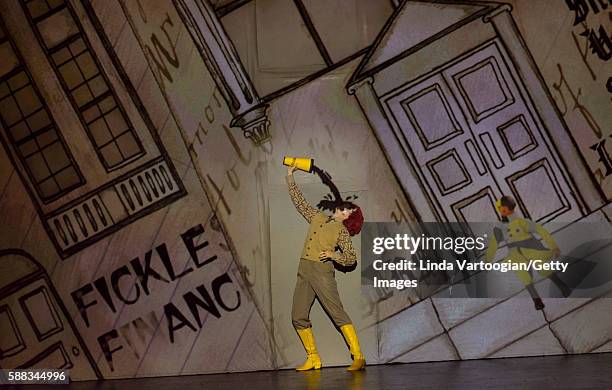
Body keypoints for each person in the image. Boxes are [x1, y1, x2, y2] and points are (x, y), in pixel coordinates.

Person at [286, 164, 366, 371]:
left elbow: (351, 258)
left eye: (350, 210)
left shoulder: (342, 232)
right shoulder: (318, 217)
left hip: (322, 272)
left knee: (337, 312)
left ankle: (358, 356)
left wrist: (333, 255)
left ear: (349, 219)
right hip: (304, 269)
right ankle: (313, 358)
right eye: (347, 206)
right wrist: (290, 177)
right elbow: (300, 203)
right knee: (298, 315)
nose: (346, 208)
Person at [485, 195, 571, 310]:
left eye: (505, 208)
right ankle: (536, 300)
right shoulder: (499, 227)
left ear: (511, 208)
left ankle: (562, 285)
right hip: (515, 253)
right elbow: (494, 243)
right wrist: (488, 260)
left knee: (543, 268)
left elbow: (541, 230)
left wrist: (553, 246)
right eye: (501, 209)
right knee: (523, 275)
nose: (503, 211)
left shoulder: (521, 222)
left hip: (531, 247)